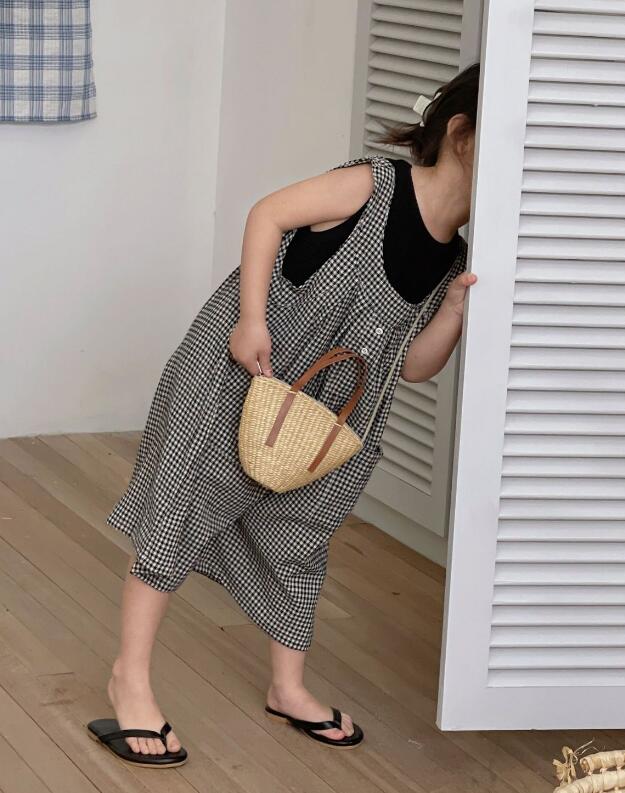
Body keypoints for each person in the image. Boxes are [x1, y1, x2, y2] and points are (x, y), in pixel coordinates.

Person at [87, 62, 481, 767]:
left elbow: (415, 365)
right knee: (183, 511)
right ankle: (130, 679)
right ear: (460, 134)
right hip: (246, 374)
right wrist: (250, 318)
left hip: (329, 423)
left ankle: (287, 687)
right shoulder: (373, 185)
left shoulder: (454, 258)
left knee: (300, 537)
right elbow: (267, 213)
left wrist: (452, 311)